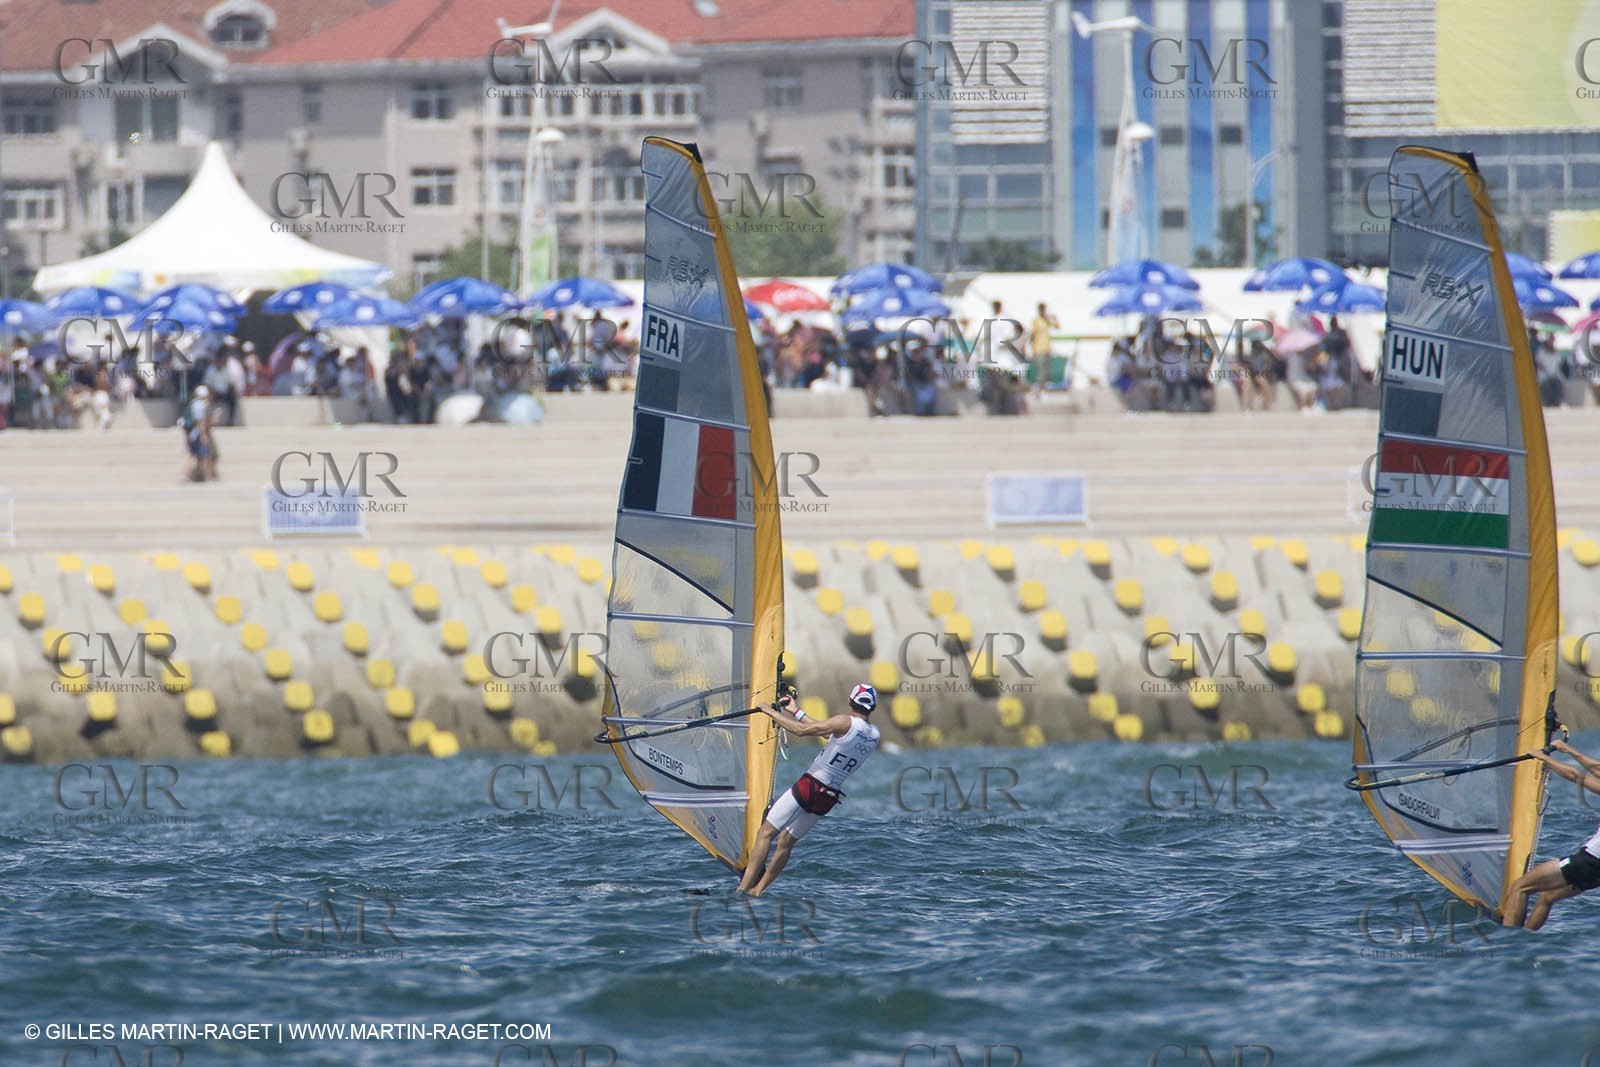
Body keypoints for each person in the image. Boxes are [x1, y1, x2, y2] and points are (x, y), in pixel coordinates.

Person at [738, 683, 882, 896]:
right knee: (786, 843)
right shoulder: (874, 734)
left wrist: (768, 711)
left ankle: (741, 891)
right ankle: (757, 891)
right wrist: (794, 710)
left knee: (765, 833)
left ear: (851, 702)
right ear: (873, 707)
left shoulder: (844, 721)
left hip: (810, 785)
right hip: (829, 797)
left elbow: (802, 731)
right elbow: (827, 734)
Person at [1504, 739, 1600, 929]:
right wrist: (1568, 749)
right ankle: (1524, 940)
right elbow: (1596, 769)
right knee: (1547, 896)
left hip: (1590, 861)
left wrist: (1543, 758)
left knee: (1519, 887)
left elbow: (1575, 775)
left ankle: (1507, 941)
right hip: (1596, 870)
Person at [1029, 302, 1058, 398]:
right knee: (1041, 372)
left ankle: (1044, 390)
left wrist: (1054, 318)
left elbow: (1057, 327)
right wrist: (1032, 349)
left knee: (1047, 371)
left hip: (1047, 349)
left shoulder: (1047, 321)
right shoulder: (1036, 321)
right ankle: (1040, 391)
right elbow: (1032, 335)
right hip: (1039, 349)